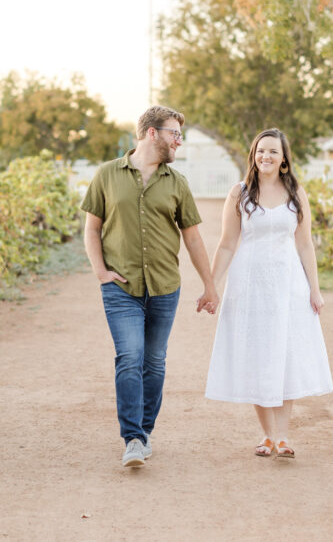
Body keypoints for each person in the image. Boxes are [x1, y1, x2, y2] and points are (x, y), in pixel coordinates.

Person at [81, 105, 219, 468]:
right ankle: (133, 438)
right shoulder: (107, 175)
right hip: (120, 287)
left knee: (154, 363)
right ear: (152, 133)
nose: (179, 141)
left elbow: (193, 239)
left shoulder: (177, 183)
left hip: (163, 286)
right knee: (130, 357)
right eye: (175, 133)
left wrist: (209, 285)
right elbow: (92, 228)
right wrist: (100, 272)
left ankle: (144, 430)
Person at [204, 128, 333, 458]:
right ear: (254, 154)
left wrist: (314, 290)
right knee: (258, 354)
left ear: (284, 159)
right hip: (249, 286)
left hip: (288, 286)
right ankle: (268, 435)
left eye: (273, 152)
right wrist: (211, 286)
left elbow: (305, 244)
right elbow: (227, 243)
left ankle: (284, 436)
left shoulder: (296, 194)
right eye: (261, 151)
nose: (266, 156)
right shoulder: (239, 193)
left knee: (285, 355)